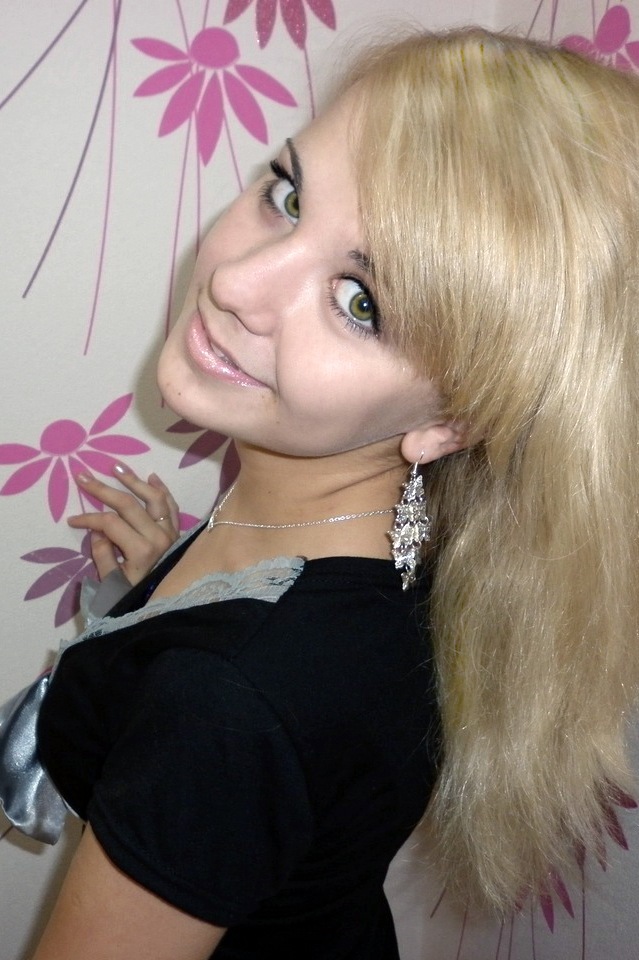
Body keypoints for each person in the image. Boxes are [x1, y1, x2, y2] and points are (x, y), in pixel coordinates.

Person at [8, 25, 639, 960]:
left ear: (452, 421)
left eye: (359, 303)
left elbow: (256, 713)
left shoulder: (223, 705)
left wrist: (188, 664)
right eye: (288, 196)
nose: (234, 282)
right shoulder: (401, 543)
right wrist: (162, 589)